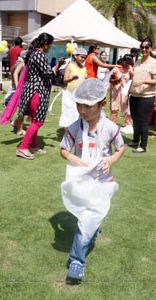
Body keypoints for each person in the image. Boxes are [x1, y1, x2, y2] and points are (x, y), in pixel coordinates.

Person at [60, 78, 125, 283]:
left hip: (102, 183)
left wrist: (111, 159)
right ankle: (91, 230)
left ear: (102, 104)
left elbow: (120, 147)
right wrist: (71, 157)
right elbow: (63, 149)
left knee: (86, 222)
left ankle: (76, 261)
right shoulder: (74, 126)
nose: (82, 110)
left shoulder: (111, 128)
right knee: (87, 219)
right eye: (79, 104)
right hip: (82, 181)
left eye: (88, 106)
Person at [16, 32, 65, 160]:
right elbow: (48, 74)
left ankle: (33, 145)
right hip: (37, 91)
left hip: (34, 91)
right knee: (38, 121)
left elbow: (44, 72)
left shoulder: (34, 54)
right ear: (45, 44)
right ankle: (23, 147)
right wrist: (59, 66)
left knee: (34, 120)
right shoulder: (39, 54)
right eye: (50, 45)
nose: (50, 48)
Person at [128, 37, 156, 153]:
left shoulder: (154, 63)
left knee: (142, 121)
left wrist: (143, 82)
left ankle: (143, 146)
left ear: (150, 48)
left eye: (146, 47)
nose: (144, 49)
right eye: (142, 47)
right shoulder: (137, 62)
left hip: (146, 97)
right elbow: (134, 78)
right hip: (134, 95)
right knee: (135, 119)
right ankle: (135, 140)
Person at [60, 48, 87, 126]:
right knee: (68, 112)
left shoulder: (84, 68)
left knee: (78, 113)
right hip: (70, 94)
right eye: (81, 57)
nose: (83, 59)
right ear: (75, 56)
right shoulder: (70, 66)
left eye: (84, 58)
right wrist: (72, 78)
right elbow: (65, 80)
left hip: (80, 94)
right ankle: (68, 131)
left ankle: (76, 130)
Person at [109, 54, 133, 132]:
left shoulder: (130, 69)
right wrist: (117, 80)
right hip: (115, 90)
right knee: (114, 108)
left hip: (125, 91)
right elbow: (111, 80)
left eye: (129, 63)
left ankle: (128, 125)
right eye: (126, 62)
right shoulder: (116, 69)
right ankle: (112, 124)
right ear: (122, 61)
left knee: (125, 108)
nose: (127, 64)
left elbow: (132, 80)